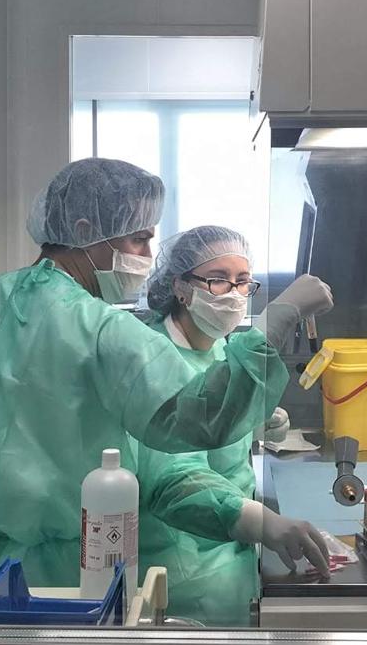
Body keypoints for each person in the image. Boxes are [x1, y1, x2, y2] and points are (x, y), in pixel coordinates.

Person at [0, 158, 334, 587]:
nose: (147, 254)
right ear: (85, 231)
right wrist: (276, 321)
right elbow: (201, 419)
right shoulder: (97, 327)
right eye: (138, 239)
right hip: (60, 583)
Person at [132, 226, 328, 626]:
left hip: (229, 545)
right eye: (218, 280)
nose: (235, 293)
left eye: (243, 282)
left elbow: (212, 417)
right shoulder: (153, 359)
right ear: (181, 288)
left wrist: (251, 423)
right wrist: (264, 522)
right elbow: (175, 480)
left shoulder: (217, 343)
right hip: (185, 570)